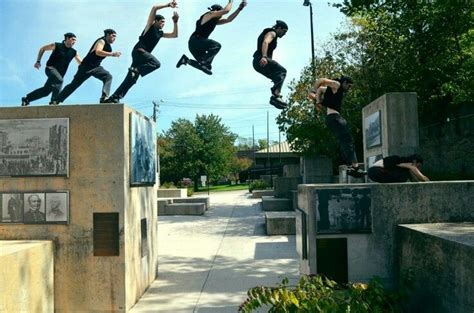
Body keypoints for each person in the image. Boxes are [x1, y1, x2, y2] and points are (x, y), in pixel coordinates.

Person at [106, 2, 179, 103]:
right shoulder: (150, 26)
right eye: (162, 21)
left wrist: (175, 22)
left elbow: (174, 35)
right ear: (155, 21)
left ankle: (114, 98)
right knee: (156, 64)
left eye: (164, 22)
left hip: (142, 58)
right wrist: (168, 5)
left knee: (131, 80)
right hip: (139, 51)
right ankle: (136, 69)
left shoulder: (160, 33)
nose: (163, 24)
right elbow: (154, 8)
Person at [308, 76, 365, 177]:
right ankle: (354, 167)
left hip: (331, 119)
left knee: (344, 141)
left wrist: (317, 100)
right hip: (335, 118)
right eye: (349, 86)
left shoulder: (333, 90)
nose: (349, 89)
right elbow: (322, 80)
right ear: (345, 82)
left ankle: (351, 166)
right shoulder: (337, 84)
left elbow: (321, 89)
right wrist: (314, 92)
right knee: (348, 141)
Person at [176, 0, 247, 75]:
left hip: (195, 46)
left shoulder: (214, 21)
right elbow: (226, 11)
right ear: (216, 11)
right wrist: (231, 1)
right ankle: (203, 62)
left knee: (206, 66)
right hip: (196, 41)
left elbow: (228, 19)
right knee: (216, 45)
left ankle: (186, 60)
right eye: (220, 14)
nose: (221, 16)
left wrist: (239, 9)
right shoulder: (209, 14)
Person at [55, 29, 122, 104]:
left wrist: (111, 53)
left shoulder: (109, 47)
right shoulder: (101, 41)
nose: (114, 38)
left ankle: (104, 98)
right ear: (107, 35)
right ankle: (56, 100)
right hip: (85, 67)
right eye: (113, 36)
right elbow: (98, 52)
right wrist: (112, 54)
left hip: (96, 67)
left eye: (115, 37)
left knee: (108, 76)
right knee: (74, 85)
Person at [21, 33, 82, 106]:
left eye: (75, 40)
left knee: (46, 91)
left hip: (58, 75)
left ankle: (27, 98)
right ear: (67, 39)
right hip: (50, 69)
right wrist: (38, 61)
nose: (74, 42)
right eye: (73, 39)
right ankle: (54, 101)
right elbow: (42, 48)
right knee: (59, 80)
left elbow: (80, 62)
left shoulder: (74, 52)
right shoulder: (56, 45)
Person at [252, 20, 289, 109]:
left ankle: (274, 98)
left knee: (278, 76)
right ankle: (276, 94)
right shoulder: (272, 33)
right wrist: (264, 57)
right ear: (279, 28)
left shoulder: (272, 34)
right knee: (282, 71)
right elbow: (265, 42)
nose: (284, 34)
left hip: (258, 63)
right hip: (260, 59)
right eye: (284, 31)